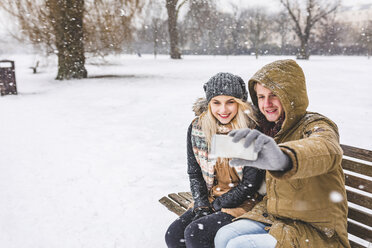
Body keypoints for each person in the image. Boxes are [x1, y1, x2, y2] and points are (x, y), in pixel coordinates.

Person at [214, 59, 350, 248]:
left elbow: (327, 148)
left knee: (240, 245)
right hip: (278, 220)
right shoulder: (272, 130)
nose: (266, 103)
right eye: (261, 97)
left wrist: (284, 159)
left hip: (318, 231)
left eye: (274, 95)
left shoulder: (316, 125)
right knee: (224, 235)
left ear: (291, 94)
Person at [165, 72, 265, 248]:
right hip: (211, 197)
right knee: (174, 235)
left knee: (196, 233)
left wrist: (217, 205)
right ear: (209, 103)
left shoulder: (250, 131)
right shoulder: (198, 128)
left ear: (240, 104)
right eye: (216, 102)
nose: (223, 110)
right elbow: (194, 172)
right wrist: (202, 205)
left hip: (243, 202)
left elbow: (250, 184)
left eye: (230, 102)